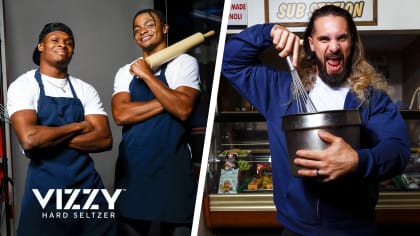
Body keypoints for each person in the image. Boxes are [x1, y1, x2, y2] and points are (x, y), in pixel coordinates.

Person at [222, 5, 410, 236]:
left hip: (354, 229)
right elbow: (230, 61)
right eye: (324, 39)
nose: (333, 47)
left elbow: (398, 151)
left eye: (341, 38)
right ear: (311, 43)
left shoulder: (372, 100)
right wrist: (267, 32)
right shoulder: (279, 90)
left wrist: (358, 160)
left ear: (352, 42)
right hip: (295, 229)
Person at [7, 22, 117, 236]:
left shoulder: (85, 89)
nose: (63, 45)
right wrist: (79, 126)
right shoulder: (24, 85)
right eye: (55, 40)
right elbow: (30, 139)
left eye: (69, 42)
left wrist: (48, 136)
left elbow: (104, 139)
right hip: (45, 188)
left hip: (87, 189)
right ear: (41, 46)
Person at [111, 9, 200, 236]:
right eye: (137, 29)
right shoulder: (125, 72)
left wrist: (148, 75)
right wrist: (168, 100)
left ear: (165, 28)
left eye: (149, 25)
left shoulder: (185, 63)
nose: (143, 32)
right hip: (133, 173)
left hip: (173, 172)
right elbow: (121, 114)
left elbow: (182, 110)